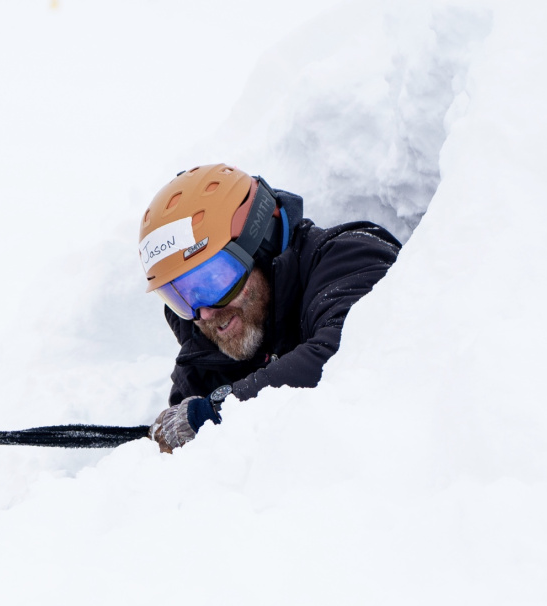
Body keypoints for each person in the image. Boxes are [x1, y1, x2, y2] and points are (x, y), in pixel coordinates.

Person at [139, 163, 400, 453]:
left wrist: (216, 410)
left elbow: (345, 355)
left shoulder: (351, 257)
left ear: (264, 244)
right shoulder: (206, 349)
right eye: (182, 295)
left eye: (213, 280)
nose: (204, 314)